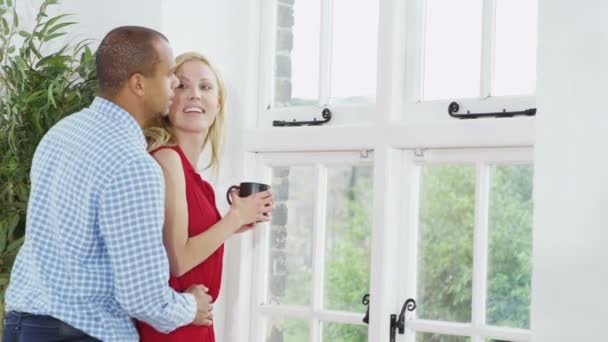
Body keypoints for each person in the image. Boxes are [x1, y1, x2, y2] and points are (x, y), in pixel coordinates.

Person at [2, 27, 213, 342]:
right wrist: (191, 307)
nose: (174, 83)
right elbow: (143, 297)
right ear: (138, 83)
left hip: (21, 327)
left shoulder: (62, 133)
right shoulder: (133, 163)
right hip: (80, 333)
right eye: (168, 74)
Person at [136, 51, 273, 341]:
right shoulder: (166, 159)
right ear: (166, 101)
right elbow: (179, 260)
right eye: (182, 86)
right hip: (172, 330)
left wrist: (233, 224)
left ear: (218, 103)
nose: (194, 95)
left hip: (194, 324)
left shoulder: (202, 184)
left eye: (206, 87)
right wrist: (235, 217)